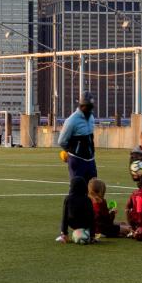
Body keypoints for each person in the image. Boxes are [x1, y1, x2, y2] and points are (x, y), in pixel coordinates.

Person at [54, 92, 98, 242]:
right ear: (81, 105)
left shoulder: (91, 118)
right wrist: (72, 152)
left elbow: (90, 138)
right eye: (86, 106)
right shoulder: (71, 120)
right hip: (77, 161)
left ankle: (92, 230)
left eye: (90, 107)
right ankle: (65, 232)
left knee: (93, 192)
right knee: (74, 194)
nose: (89, 109)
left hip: (90, 160)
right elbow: (62, 141)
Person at [60, 176, 94, 242]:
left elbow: (64, 217)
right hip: (85, 224)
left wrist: (64, 233)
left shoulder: (68, 199)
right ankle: (86, 234)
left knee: (67, 215)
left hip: (73, 223)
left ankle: (65, 236)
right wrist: (92, 235)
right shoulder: (88, 199)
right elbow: (91, 217)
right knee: (90, 216)